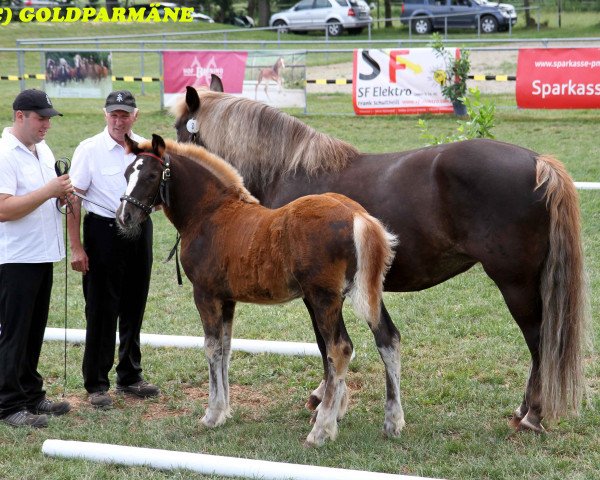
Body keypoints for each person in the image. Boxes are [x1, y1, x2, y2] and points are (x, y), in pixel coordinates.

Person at [68, 90, 159, 408]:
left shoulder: (147, 148)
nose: (119, 120)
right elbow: (74, 199)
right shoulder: (89, 149)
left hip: (138, 231)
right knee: (101, 308)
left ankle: (130, 375)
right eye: (114, 114)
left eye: (125, 114)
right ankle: (96, 382)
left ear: (136, 116)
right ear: (105, 115)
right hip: (103, 232)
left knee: (135, 304)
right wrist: (76, 247)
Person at [0, 89, 73, 428]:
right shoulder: (4, 154)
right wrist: (50, 191)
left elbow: (45, 197)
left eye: (49, 118)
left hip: (43, 254)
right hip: (15, 258)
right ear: (20, 116)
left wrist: (61, 199)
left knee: (33, 330)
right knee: (14, 332)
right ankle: (8, 403)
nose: (47, 124)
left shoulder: (42, 150)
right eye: (41, 117)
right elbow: (4, 209)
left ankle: (30, 392)